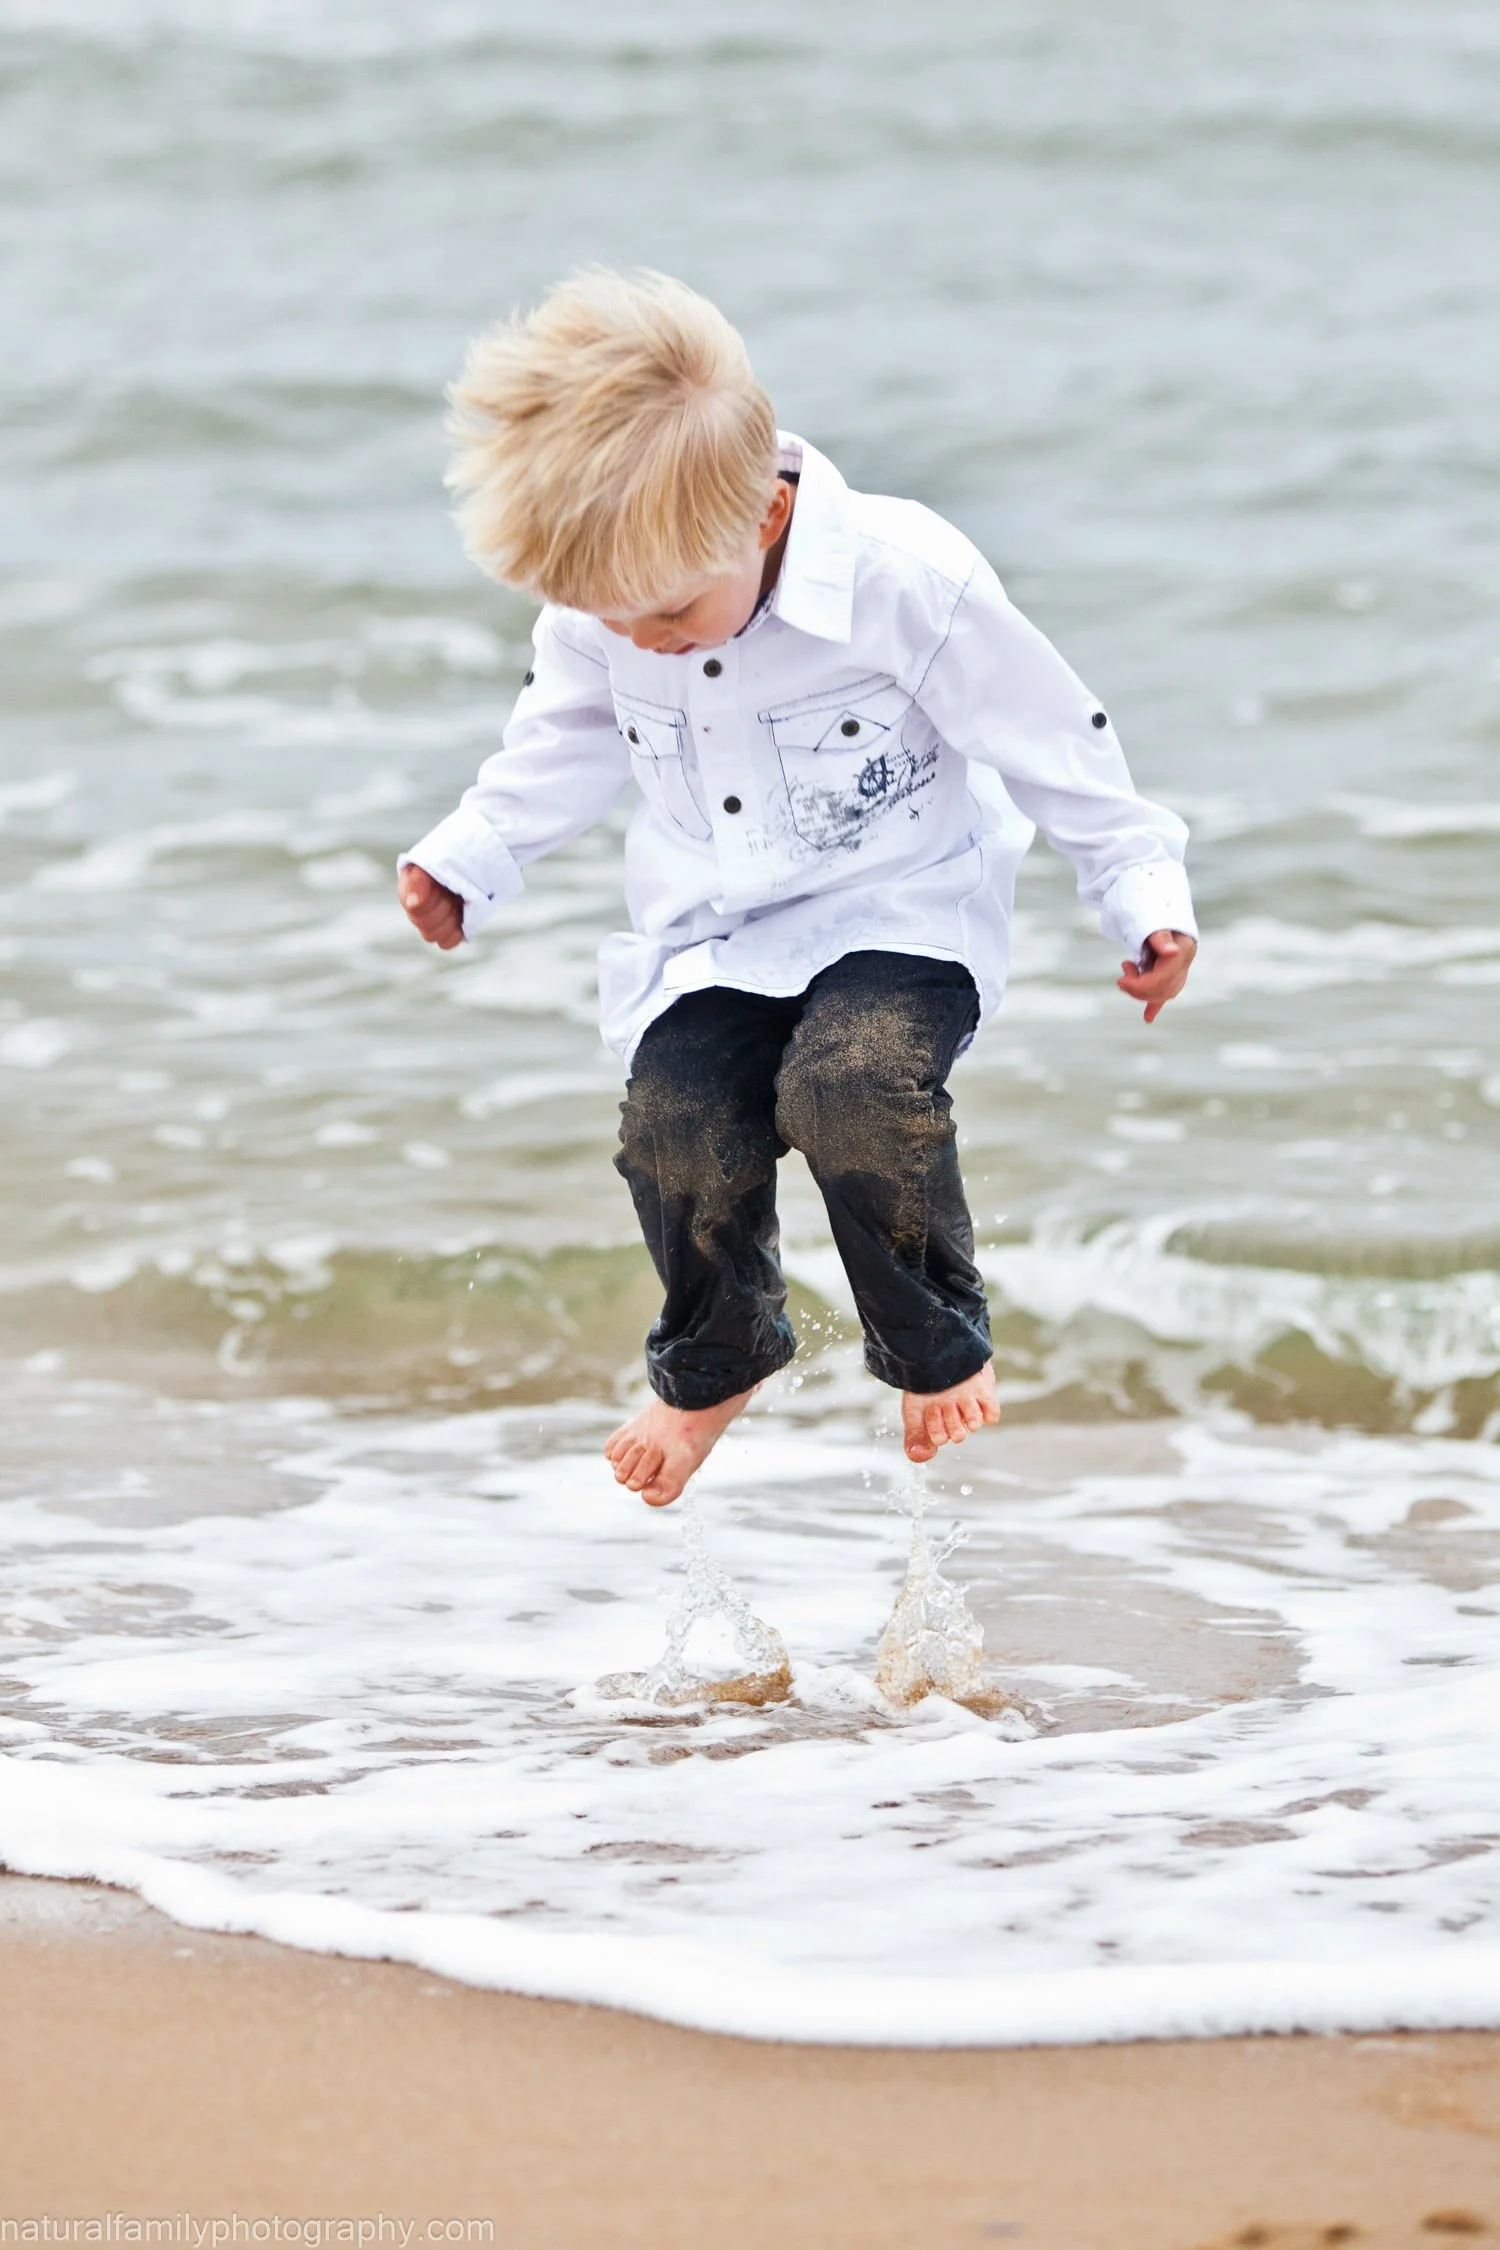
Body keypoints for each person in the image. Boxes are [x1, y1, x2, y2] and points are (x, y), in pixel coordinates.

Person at [398, 269, 1197, 1507]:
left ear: (762, 521)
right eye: (609, 618)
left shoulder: (900, 577)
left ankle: (934, 1344)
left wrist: (1139, 886)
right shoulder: (610, 610)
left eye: (666, 610)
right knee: (674, 1123)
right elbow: (559, 742)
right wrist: (469, 858)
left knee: (849, 1089)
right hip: (719, 934)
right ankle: (720, 1355)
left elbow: (1050, 733)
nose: (645, 639)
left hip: (904, 910)